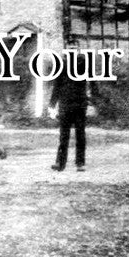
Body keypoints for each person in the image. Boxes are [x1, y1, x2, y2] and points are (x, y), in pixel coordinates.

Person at [49, 39, 89, 172]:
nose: (72, 50)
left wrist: (93, 101)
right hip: (65, 104)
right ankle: (60, 163)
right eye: (70, 48)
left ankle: (80, 163)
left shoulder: (84, 63)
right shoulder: (61, 64)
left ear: (78, 50)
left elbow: (92, 81)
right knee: (63, 135)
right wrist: (52, 104)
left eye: (74, 48)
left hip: (80, 104)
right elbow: (57, 85)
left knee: (80, 134)